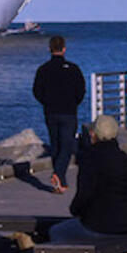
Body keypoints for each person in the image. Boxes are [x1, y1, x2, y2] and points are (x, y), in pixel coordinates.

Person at [50, 115, 127, 240]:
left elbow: (84, 194)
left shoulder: (89, 160)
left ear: (94, 135)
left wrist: (75, 211)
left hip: (100, 225)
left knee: (56, 231)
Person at [33, 34, 86, 194]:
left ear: (50, 49)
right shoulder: (73, 69)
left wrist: (46, 102)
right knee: (67, 145)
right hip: (69, 111)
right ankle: (58, 174)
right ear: (64, 49)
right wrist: (74, 102)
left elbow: (36, 91)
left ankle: (60, 183)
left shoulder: (43, 69)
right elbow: (81, 90)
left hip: (50, 111)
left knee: (55, 145)